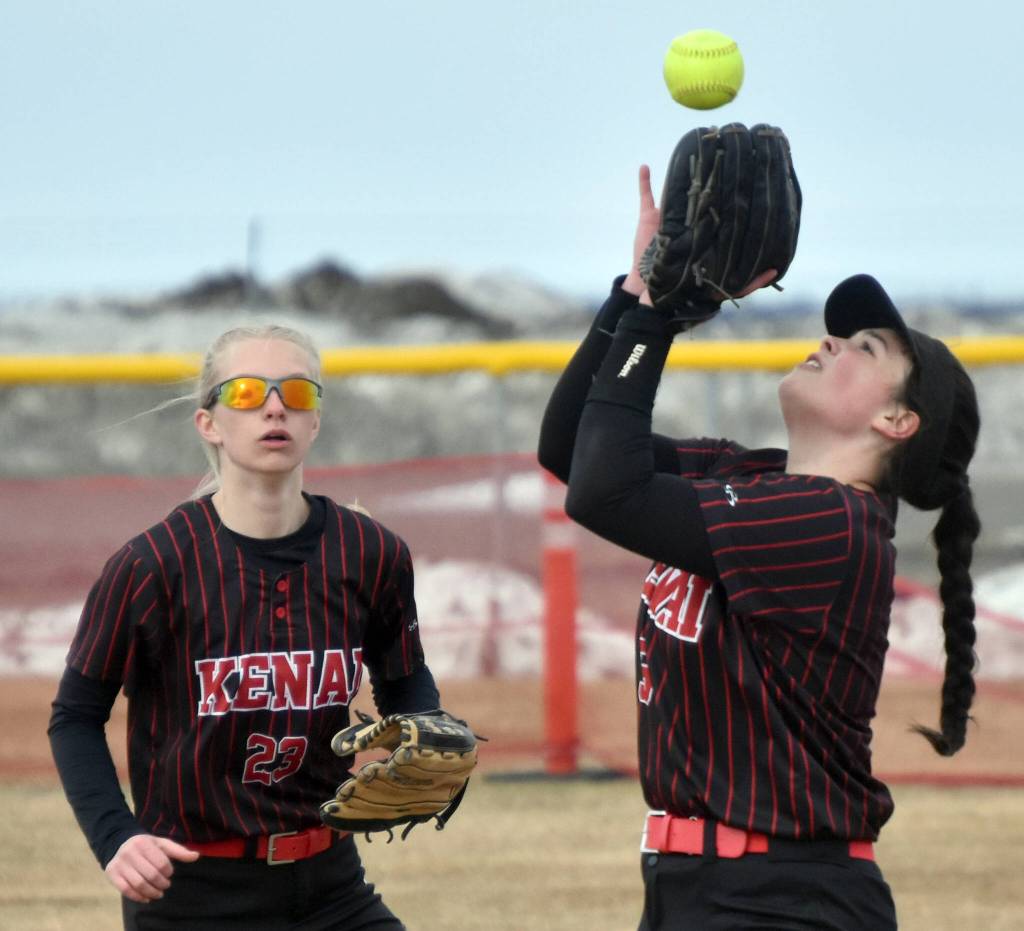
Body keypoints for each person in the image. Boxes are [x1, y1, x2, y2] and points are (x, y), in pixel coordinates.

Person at [538, 166, 981, 930]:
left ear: (898, 423)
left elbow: (603, 491)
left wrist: (660, 319)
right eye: (840, 332)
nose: (830, 341)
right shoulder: (755, 477)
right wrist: (637, 294)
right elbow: (572, 451)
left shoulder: (833, 524)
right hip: (701, 888)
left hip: (782, 898)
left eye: (864, 348)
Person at [49, 324, 441, 930]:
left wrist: (424, 737)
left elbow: (406, 680)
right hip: (192, 893)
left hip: (330, 879)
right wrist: (115, 836)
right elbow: (75, 716)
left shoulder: (371, 552)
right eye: (247, 393)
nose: (275, 406)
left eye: (297, 393)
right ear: (209, 423)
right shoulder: (153, 565)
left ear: (316, 420)